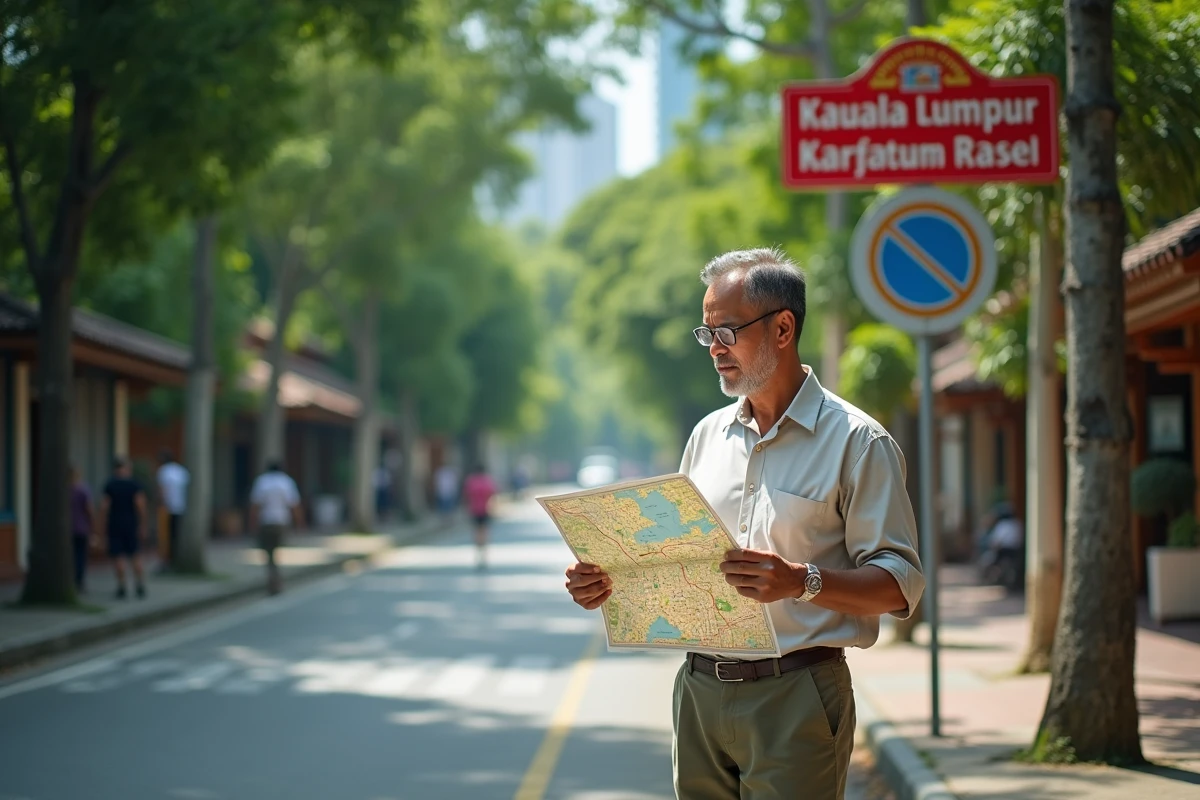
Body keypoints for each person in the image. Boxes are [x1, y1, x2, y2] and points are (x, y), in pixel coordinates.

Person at [563, 248, 926, 800]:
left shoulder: (858, 442)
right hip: (698, 694)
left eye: (727, 332)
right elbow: (676, 560)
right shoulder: (707, 436)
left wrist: (800, 581)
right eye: (707, 334)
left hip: (797, 694)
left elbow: (901, 584)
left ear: (783, 328)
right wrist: (609, 580)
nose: (715, 350)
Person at [249, 460, 304, 595]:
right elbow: (294, 505)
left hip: (266, 522)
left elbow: (255, 506)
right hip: (281, 522)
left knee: (269, 553)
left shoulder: (262, 482)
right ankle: (276, 580)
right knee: (275, 552)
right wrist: (299, 524)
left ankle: (273, 579)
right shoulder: (286, 482)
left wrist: (252, 524)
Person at [101, 457, 148, 599]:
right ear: (128, 469)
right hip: (131, 524)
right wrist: (143, 524)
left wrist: (100, 526)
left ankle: (122, 586)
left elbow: (104, 507)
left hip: (115, 523)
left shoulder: (110, 484)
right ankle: (139, 584)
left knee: (118, 556)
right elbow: (140, 505)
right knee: (135, 554)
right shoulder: (134, 484)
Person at [156, 450, 190, 571]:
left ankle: (166, 562)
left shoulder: (163, 471)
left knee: (166, 537)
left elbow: (162, 491)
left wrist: (161, 504)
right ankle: (175, 560)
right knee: (176, 536)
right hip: (181, 507)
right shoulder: (181, 471)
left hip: (167, 508)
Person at [463, 463, 498, 570]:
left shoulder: (471, 481)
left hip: (474, 510)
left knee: (476, 531)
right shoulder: (487, 481)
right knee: (484, 531)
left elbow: (466, 495)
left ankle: (478, 551)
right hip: (485, 509)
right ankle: (483, 553)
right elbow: (493, 494)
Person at [69, 466, 95, 592]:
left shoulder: (63, 490)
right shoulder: (82, 489)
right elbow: (89, 509)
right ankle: (79, 581)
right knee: (80, 556)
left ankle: (72, 580)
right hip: (81, 527)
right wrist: (92, 526)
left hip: (68, 530)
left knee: (71, 556)